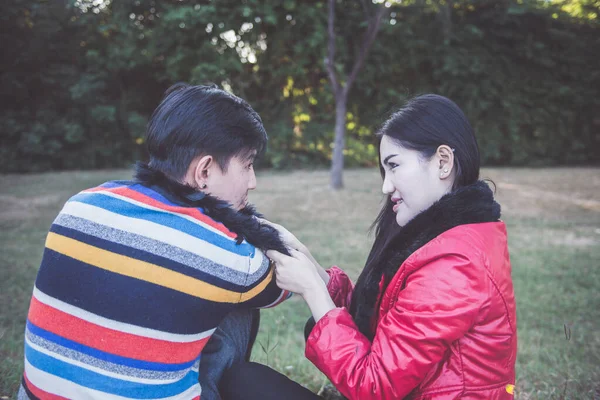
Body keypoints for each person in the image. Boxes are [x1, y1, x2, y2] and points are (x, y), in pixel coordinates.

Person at [220, 94, 517, 399]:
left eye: (394, 166)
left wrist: (312, 290)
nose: (386, 187)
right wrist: (306, 261)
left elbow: (374, 386)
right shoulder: (446, 238)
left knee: (244, 386)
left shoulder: (455, 265)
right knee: (245, 381)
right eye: (384, 171)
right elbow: (379, 326)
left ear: (443, 162)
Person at [18, 83, 293, 400]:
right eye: (247, 165)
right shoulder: (226, 254)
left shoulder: (79, 205)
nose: (253, 181)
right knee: (243, 301)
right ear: (203, 171)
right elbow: (284, 283)